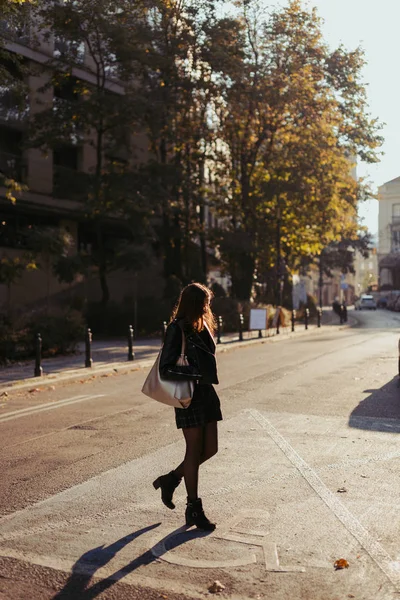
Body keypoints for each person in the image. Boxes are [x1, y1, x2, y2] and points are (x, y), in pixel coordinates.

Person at [153, 283, 222, 531]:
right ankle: (193, 508)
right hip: (189, 396)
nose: (207, 306)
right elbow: (165, 368)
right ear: (194, 303)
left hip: (206, 393)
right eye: (204, 302)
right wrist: (193, 372)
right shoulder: (177, 329)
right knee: (193, 450)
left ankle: (171, 479)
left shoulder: (202, 326)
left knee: (211, 449)